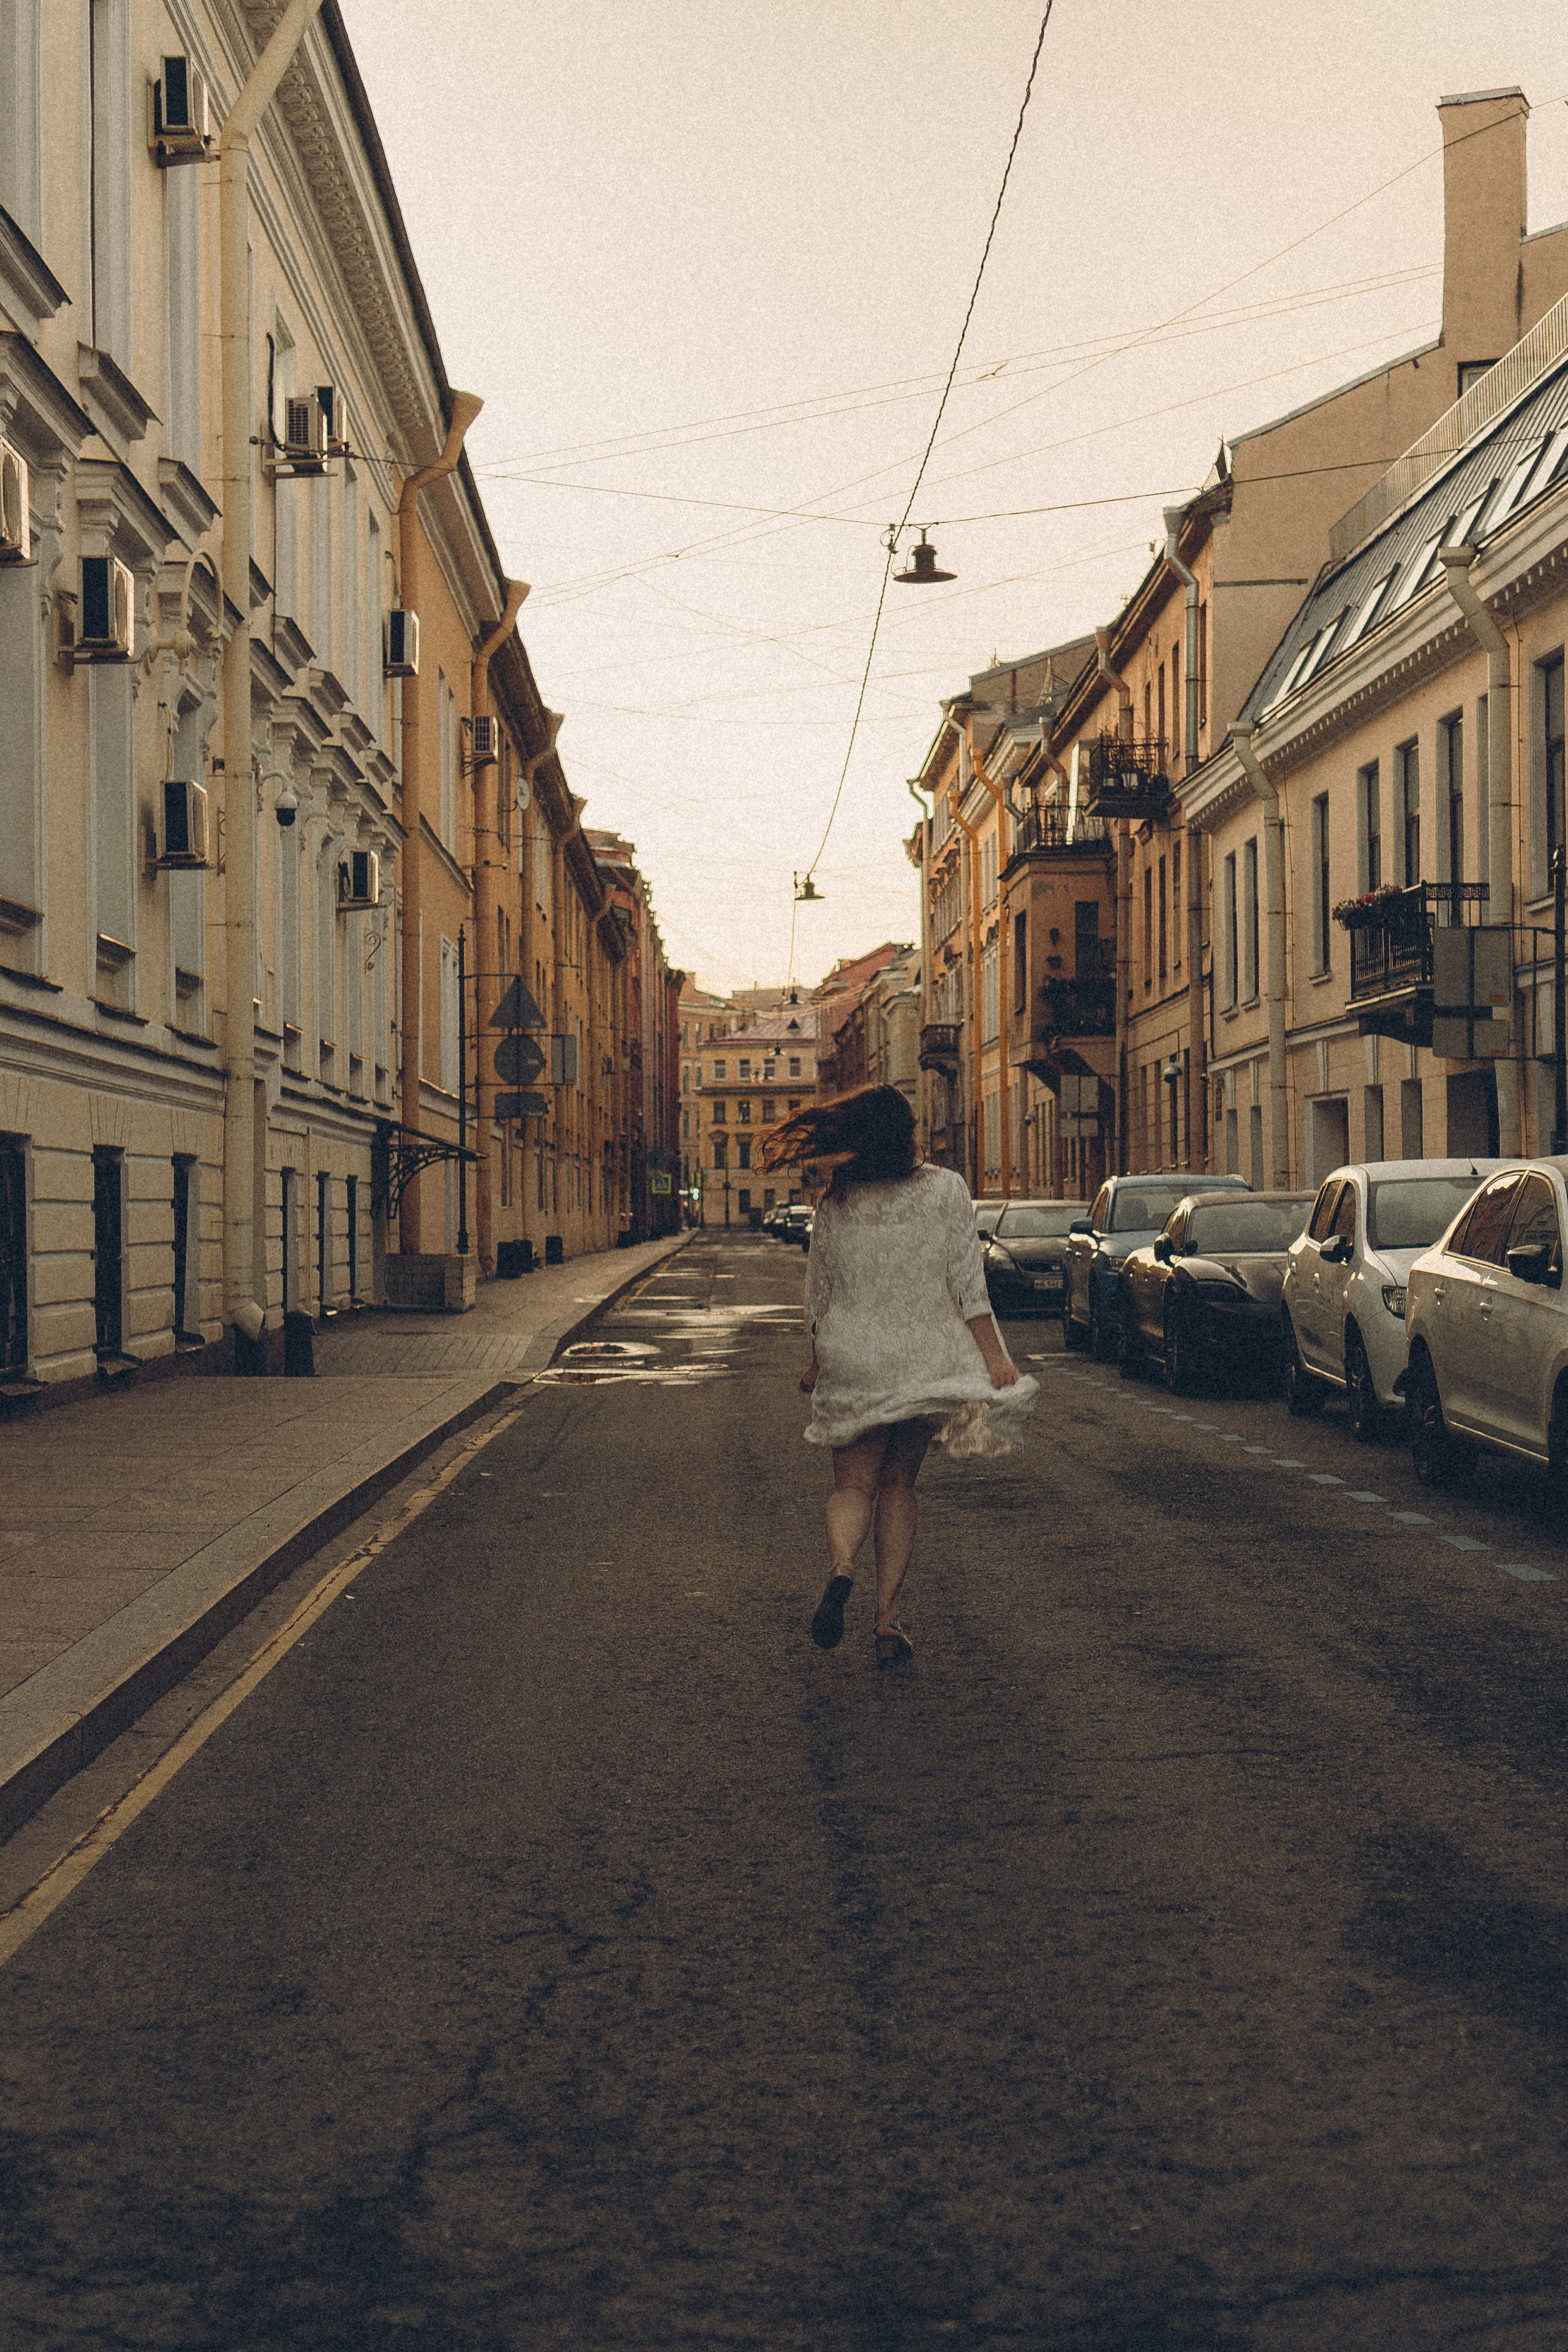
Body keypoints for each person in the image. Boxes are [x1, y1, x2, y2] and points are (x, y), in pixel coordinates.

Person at [761, 1085, 1038, 1668]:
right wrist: (995, 1360)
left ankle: (842, 1569)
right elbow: (968, 1285)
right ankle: (886, 1621)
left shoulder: (836, 1204)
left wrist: (816, 1362)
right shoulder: (947, 1189)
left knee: (852, 1487)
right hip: (924, 1359)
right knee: (899, 1487)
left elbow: (819, 1293)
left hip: (854, 1356)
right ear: (907, 1133)